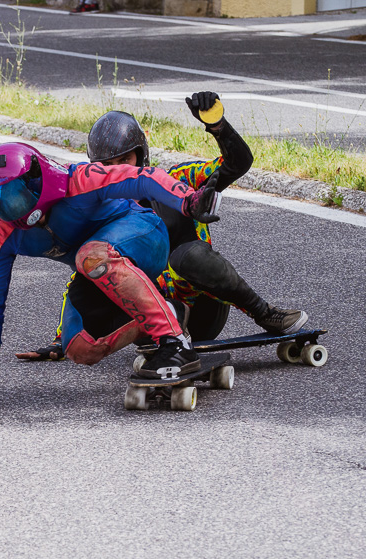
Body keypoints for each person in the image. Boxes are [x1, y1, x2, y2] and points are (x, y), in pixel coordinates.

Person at [16, 93, 307, 361]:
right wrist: (62, 340)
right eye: (109, 165)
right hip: (151, 318)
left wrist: (218, 125)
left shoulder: (178, 181)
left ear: (141, 155)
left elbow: (238, 163)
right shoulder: (98, 212)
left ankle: (265, 312)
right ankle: (168, 327)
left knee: (185, 256)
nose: (122, 170)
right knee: (94, 264)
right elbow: (86, 276)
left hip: (204, 308)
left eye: (126, 160)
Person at [0, 142, 222, 397]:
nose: (15, 210)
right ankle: (169, 312)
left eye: (18, 196)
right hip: (97, 271)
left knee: (89, 256)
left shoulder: (77, 179)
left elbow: (142, 178)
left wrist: (188, 200)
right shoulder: (2, 232)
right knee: (80, 348)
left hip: (146, 238)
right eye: (2, 201)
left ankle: (175, 343)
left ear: (39, 180)